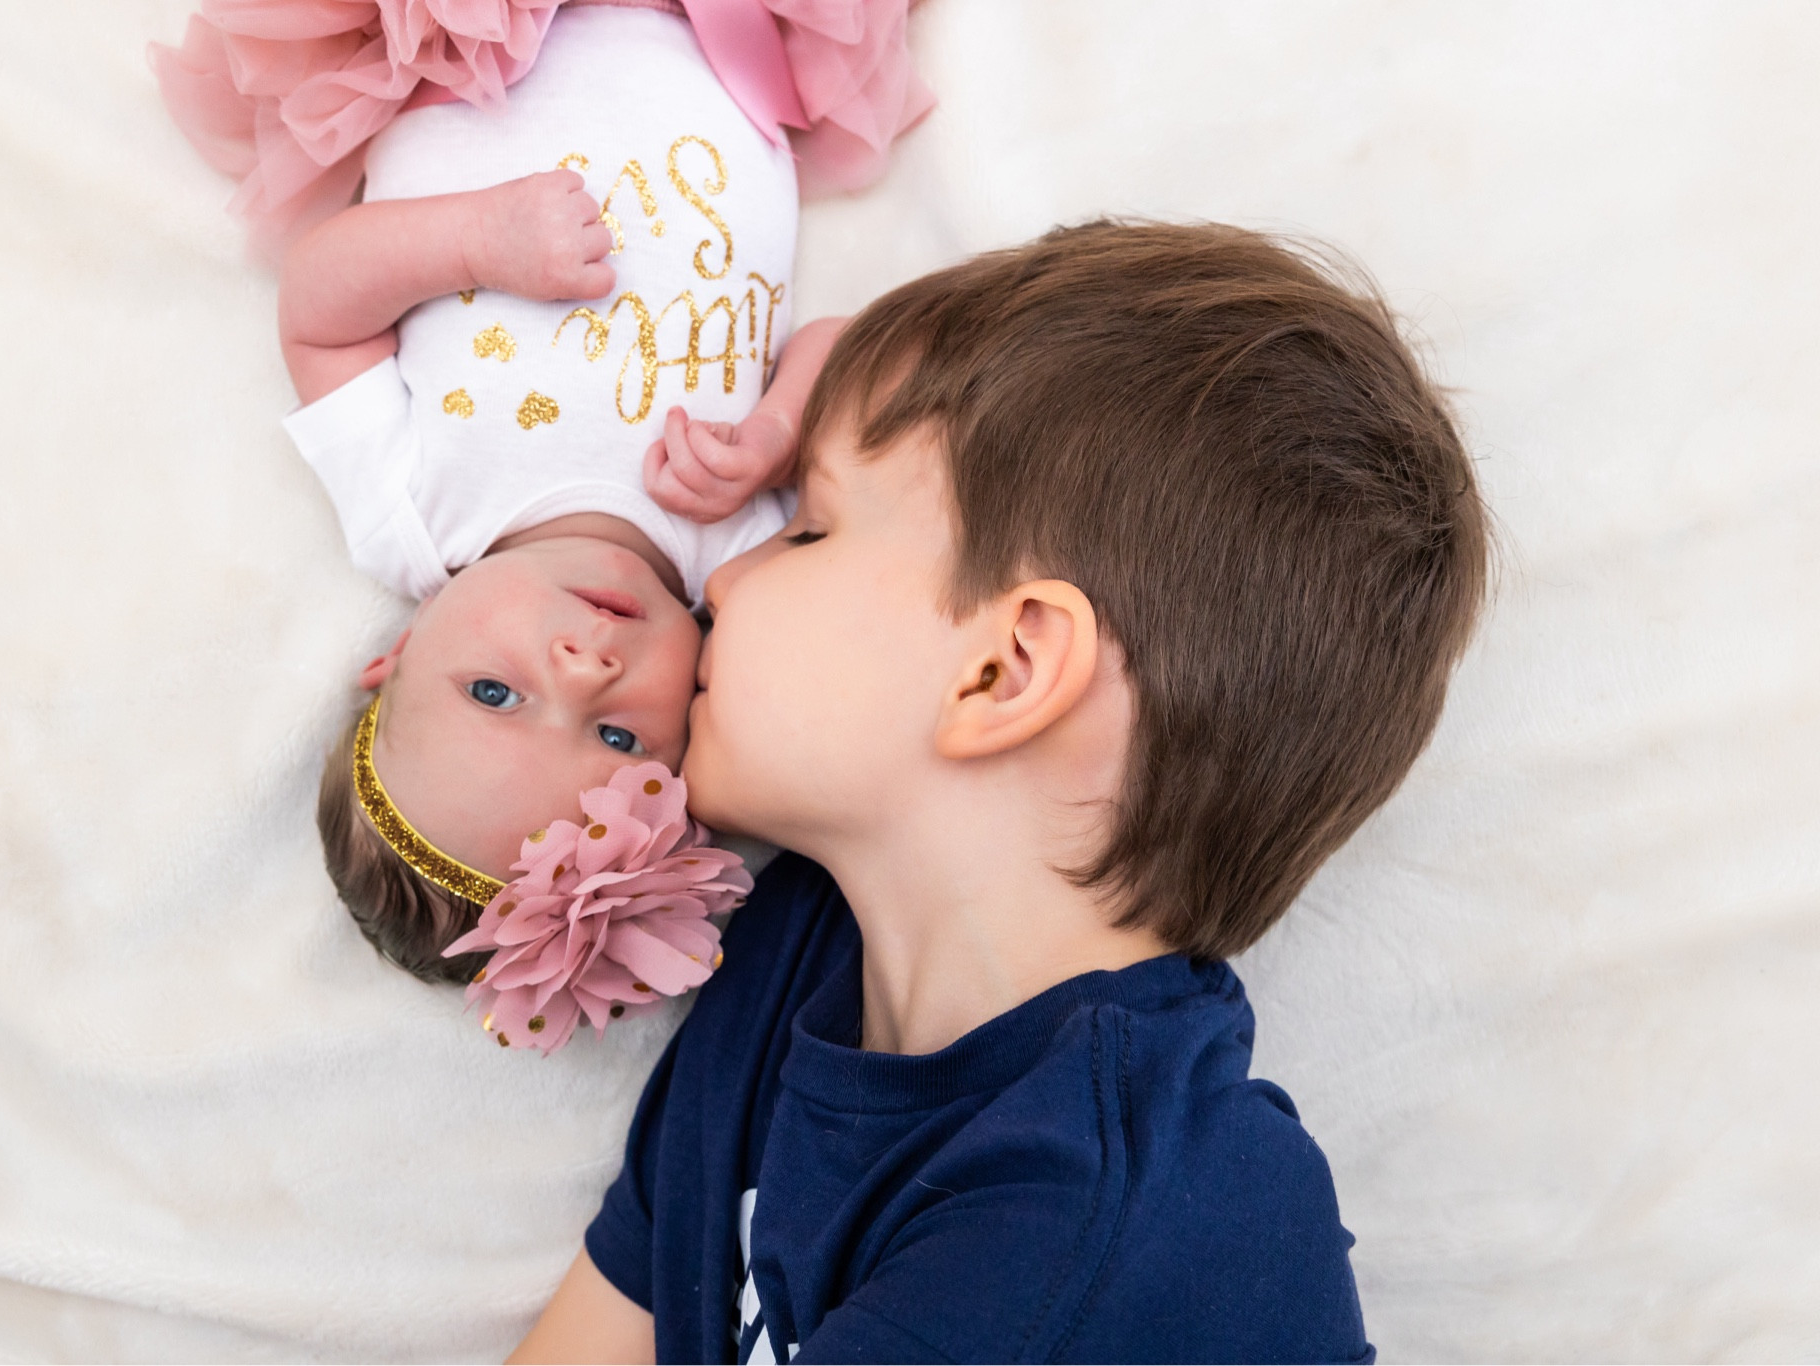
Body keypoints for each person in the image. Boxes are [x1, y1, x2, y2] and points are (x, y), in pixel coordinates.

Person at [512, 220, 1490, 1362]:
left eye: (811, 527)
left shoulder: (1128, 1224)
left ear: (1002, 671)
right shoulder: (788, 955)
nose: (720, 572)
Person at [153, 0, 923, 983]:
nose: (580, 665)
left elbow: (317, 311)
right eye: (616, 735)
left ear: (395, 652)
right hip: (718, 38)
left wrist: (475, 242)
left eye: (494, 691)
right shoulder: (738, 560)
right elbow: (855, 352)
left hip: (472, 46)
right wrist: (779, 434)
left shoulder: (411, 520)